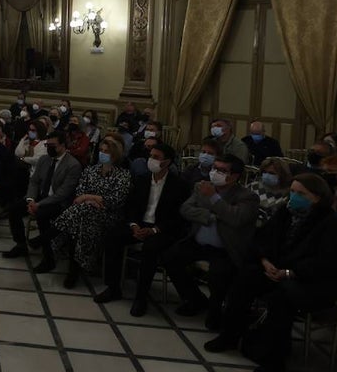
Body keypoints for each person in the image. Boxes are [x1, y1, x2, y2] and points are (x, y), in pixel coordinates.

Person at [204, 173, 337, 372]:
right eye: (292, 191)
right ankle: (230, 335)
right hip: (277, 269)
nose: (294, 197)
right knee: (245, 278)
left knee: (281, 299)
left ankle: (273, 359)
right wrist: (265, 261)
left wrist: (290, 273)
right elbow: (263, 239)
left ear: (317, 197)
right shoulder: (286, 212)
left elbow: (328, 262)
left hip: (311, 280)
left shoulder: (331, 223)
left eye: (301, 193)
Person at [163, 154, 260, 330]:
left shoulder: (247, 196)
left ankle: (216, 312)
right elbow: (185, 209)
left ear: (235, 176)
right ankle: (195, 299)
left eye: (222, 170)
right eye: (214, 168)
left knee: (218, 274)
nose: (215, 173)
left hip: (225, 248)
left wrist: (214, 198)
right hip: (199, 242)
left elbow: (236, 218)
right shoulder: (202, 187)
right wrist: (209, 216)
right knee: (170, 257)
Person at [95, 142, 191, 315]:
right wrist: (133, 224)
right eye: (151, 156)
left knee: (150, 249)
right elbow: (130, 206)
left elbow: (178, 217)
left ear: (167, 162)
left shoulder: (179, 185)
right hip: (139, 224)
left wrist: (154, 230)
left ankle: (141, 296)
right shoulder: (142, 179)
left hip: (161, 229)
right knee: (112, 237)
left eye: (156, 157)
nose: (151, 160)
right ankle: (113, 287)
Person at [50, 136, 133, 288]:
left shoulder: (123, 175)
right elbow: (79, 192)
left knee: (83, 214)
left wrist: (89, 197)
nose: (102, 153)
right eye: (101, 150)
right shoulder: (90, 170)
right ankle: (76, 268)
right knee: (84, 219)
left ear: (114, 154)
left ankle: (57, 231)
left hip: (109, 215)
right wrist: (89, 200)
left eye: (106, 151)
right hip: (85, 213)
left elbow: (116, 199)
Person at [3, 130, 83, 273]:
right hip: (39, 197)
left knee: (42, 216)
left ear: (63, 145)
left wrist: (38, 205)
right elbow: (34, 182)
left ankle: (48, 259)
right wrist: (30, 200)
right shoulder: (44, 160)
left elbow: (63, 193)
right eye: (47, 145)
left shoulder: (73, 165)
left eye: (53, 145)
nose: (49, 148)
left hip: (58, 203)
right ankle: (21, 245)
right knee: (13, 209)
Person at [249, 156, 292, 224]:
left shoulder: (289, 195)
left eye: (271, 173)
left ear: (282, 175)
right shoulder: (254, 186)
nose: (267, 175)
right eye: (265, 172)